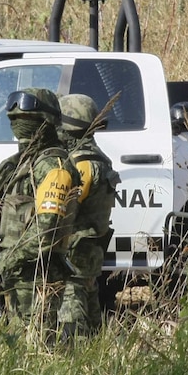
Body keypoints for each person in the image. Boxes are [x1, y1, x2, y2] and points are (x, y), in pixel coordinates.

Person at [0, 88, 80, 337]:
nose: (17, 125)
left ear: (45, 122)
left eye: (25, 120)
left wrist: (9, 259)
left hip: (38, 275)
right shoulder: (20, 163)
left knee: (38, 342)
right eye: (13, 119)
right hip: (15, 273)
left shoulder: (54, 167)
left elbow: (46, 230)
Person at [57, 94, 120, 336]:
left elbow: (67, 206)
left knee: (71, 314)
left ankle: (72, 357)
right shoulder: (100, 158)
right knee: (91, 306)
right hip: (92, 248)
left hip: (76, 251)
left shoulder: (81, 163)